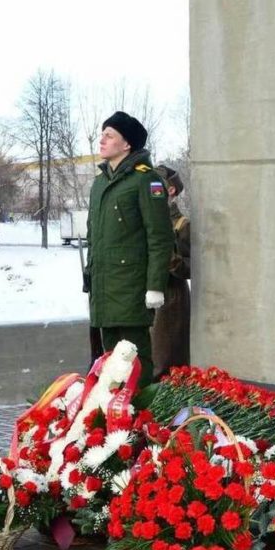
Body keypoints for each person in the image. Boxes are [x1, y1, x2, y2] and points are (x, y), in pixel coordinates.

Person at [84, 111, 173, 388]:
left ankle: (140, 409)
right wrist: (90, 274)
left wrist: (155, 286)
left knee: (134, 359)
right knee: (109, 361)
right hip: (104, 287)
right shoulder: (100, 182)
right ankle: (112, 411)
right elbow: (94, 236)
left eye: (109, 135)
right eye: (102, 134)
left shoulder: (147, 180)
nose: (102, 140)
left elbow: (160, 237)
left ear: (127, 144)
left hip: (132, 287)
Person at [150, 165, 190, 379]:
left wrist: (169, 259)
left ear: (171, 190)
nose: (151, 189)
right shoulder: (144, 221)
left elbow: (193, 267)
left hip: (170, 302)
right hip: (143, 297)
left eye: (156, 185)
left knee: (164, 365)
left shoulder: (182, 225)